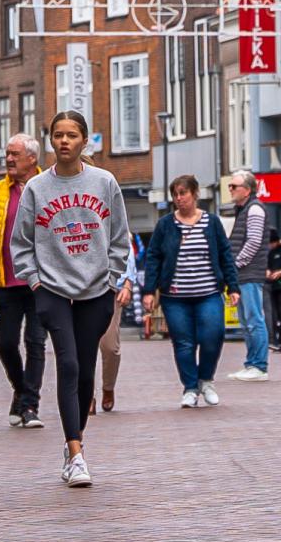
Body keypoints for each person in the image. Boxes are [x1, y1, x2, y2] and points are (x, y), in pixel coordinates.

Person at [10, 111, 131, 488]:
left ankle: (75, 440)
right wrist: (34, 281)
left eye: (72, 135)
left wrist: (112, 278)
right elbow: (21, 241)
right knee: (68, 363)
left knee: (86, 369)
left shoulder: (104, 182)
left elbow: (120, 236)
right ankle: (75, 452)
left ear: (84, 141)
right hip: (53, 290)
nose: (64, 141)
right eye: (58, 135)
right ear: (50, 141)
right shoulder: (36, 188)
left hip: (96, 290)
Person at [142, 175, 240, 407]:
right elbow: (154, 257)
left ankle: (206, 379)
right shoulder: (166, 225)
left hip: (208, 293)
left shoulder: (212, 222)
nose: (179, 198)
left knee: (212, 335)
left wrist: (232, 286)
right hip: (175, 297)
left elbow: (225, 255)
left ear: (195, 194)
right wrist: (149, 290)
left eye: (183, 193)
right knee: (183, 342)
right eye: (175, 194)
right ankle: (190, 388)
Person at [0, 133, 47, 430]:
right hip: (4, 280)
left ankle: (30, 404)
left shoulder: (48, 187)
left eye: (15, 154)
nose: (9, 159)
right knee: (5, 344)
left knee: (36, 342)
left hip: (41, 281)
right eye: (7, 154)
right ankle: (21, 389)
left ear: (32, 158)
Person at [226, 169, 270, 380]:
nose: (231, 189)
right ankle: (252, 363)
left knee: (253, 320)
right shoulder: (244, 209)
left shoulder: (254, 210)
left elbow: (253, 242)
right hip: (244, 274)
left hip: (249, 274)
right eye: (230, 186)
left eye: (234, 186)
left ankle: (259, 366)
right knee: (246, 321)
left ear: (247, 190)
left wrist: (235, 264)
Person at [92, 240, 137, 413]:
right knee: (82, 347)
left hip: (111, 289)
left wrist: (128, 284)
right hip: (78, 289)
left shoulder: (111, 214)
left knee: (110, 347)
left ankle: (108, 387)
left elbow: (125, 248)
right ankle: (87, 395)